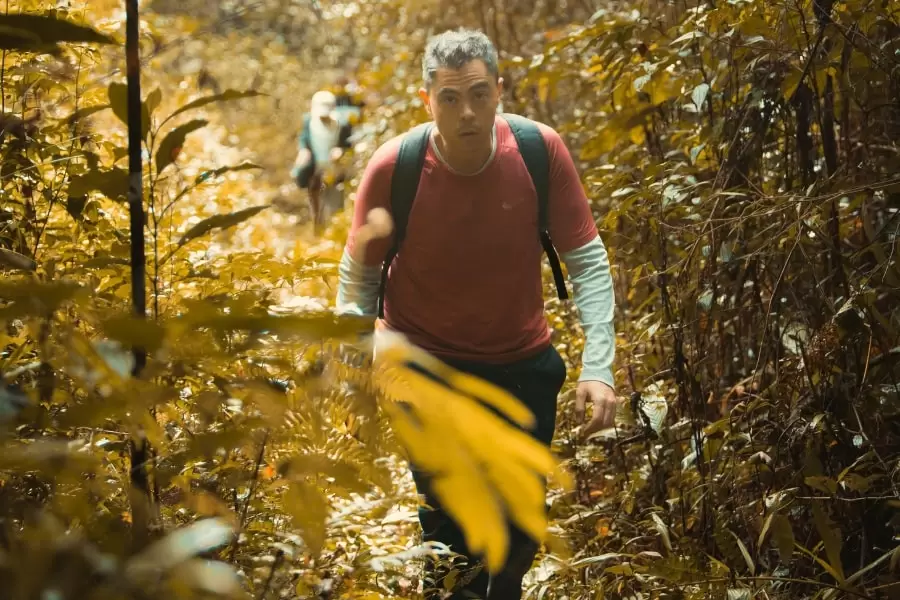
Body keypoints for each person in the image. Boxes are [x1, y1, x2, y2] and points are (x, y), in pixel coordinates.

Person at [335, 28, 617, 599]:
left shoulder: (539, 152)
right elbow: (359, 277)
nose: (467, 112)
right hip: (422, 364)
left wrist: (599, 366)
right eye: (450, 98)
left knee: (517, 528)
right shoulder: (396, 167)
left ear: (499, 92)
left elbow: (586, 261)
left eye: (480, 94)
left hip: (521, 362)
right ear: (427, 100)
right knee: (450, 529)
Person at [291, 90, 353, 226]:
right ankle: (317, 225)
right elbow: (304, 140)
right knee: (315, 200)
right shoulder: (308, 121)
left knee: (335, 203)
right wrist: (303, 151)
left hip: (335, 170)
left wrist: (341, 151)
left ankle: (335, 228)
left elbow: (348, 145)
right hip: (315, 169)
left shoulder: (342, 124)